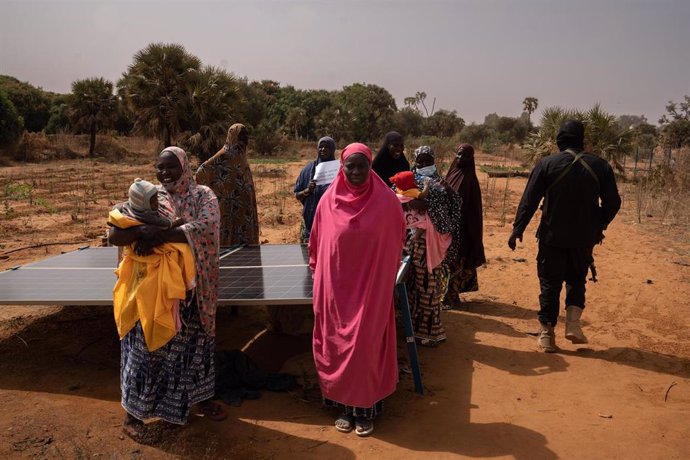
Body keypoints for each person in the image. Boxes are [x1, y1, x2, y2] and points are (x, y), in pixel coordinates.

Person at [108, 147, 225, 441]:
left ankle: (197, 400)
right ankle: (133, 416)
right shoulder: (150, 197)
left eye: (171, 167)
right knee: (146, 350)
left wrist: (159, 234)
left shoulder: (203, 196)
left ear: (185, 168)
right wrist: (141, 232)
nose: (165, 173)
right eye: (160, 168)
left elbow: (208, 228)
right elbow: (117, 229)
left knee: (193, 349)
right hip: (152, 292)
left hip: (193, 294)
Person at [308, 142, 405, 437]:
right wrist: (320, 276)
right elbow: (316, 242)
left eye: (362, 165)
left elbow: (397, 238)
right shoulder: (327, 201)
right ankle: (342, 408)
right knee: (336, 344)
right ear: (342, 166)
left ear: (370, 165)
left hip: (370, 290)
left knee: (365, 344)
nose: (357, 171)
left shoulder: (386, 202)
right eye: (350, 166)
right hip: (335, 289)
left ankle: (365, 410)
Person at [508, 120, 621, 352]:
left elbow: (529, 200)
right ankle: (573, 325)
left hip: (552, 236)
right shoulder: (600, 166)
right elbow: (613, 203)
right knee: (577, 279)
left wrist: (518, 229)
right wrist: (598, 226)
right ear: (582, 139)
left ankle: (547, 335)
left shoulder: (547, 164)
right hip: (583, 239)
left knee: (550, 282)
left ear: (560, 139)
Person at [391, 146, 461, 346]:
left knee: (429, 287)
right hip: (409, 243)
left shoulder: (441, 185)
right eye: (420, 161)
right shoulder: (407, 182)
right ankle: (412, 328)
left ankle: (431, 333)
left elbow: (450, 214)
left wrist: (425, 204)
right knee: (411, 286)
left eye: (427, 160)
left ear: (433, 161)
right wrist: (409, 204)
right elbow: (393, 200)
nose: (423, 165)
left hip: (430, 243)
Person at [195, 123, 259, 246]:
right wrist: (216, 191)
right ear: (233, 136)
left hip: (245, 208)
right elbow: (201, 171)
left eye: (246, 135)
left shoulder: (242, 155)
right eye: (241, 135)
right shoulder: (223, 155)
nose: (245, 138)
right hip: (228, 208)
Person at [443, 143, 486, 309]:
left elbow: (473, 211)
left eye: (465, 156)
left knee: (456, 261)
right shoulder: (453, 172)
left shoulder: (469, 179)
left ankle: (450, 297)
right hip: (448, 228)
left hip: (462, 230)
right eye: (459, 154)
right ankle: (448, 295)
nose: (461, 158)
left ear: (471, 159)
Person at [294, 136, 337, 243]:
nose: (323, 149)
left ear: (333, 150)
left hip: (332, 227)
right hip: (309, 226)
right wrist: (307, 191)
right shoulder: (307, 170)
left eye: (327, 147)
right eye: (321, 147)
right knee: (307, 257)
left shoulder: (339, 171)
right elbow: (297, 195)